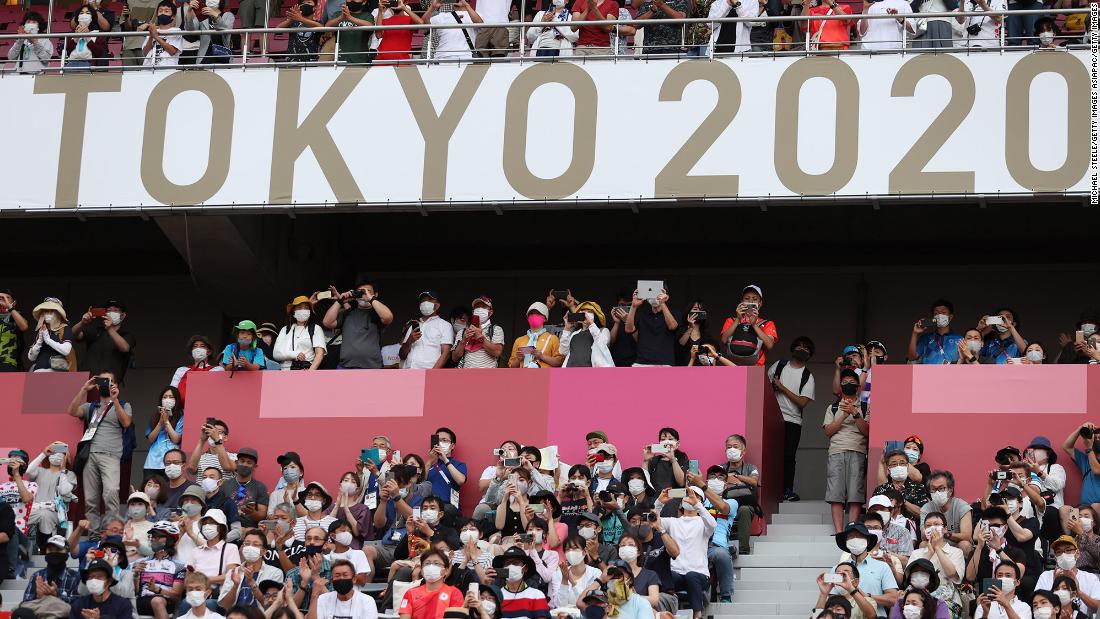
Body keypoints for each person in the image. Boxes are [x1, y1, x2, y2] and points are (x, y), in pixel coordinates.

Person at [66, 372, 132, 533]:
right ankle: (95, 532)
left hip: (111, 454)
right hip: (89, 456)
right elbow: (72, 411)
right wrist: (83, 390)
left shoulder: (124, 404)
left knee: (111, 492)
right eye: (102, 381)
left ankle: (113, 530)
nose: (105, 384)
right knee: (90, 498)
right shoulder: (91, 406)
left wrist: (114, 399)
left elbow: (126, 422)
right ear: (97, 384)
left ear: (115, 384)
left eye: (109, 380)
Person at [653, 487, 714, 619]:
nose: (690, 498)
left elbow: (712, 524)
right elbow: (653, 521)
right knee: (663, 577)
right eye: (686, 495)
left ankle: (697, 615)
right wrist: (659, 502)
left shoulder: (703, 523)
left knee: (692, 576)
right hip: (677, 574)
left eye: (695, 496)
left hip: (699, 575)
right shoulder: (673, 522)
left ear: (701, 502)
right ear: (681, 502)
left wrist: (697, 505)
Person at [769, 336, 815, 502]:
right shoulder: (779, 365)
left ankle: (787, 490)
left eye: (806, 348)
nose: (802, 350)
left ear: (810, 355)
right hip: (772, 418)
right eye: (799, 346)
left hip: (793, 421)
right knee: (771, 454)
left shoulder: (807, 376)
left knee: (789, 457)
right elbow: (766, 388)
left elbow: (803, 402)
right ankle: (770, 489)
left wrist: (782, 388)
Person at [824, 369, 869, 533]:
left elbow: (867, 432)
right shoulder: (833, 407)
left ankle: (851, 530)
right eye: (845, 382)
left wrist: (856, 414)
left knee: (855, 495)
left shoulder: (865, 406)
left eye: (852, 382)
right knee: (836, 494)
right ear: (841, 387)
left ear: (858, 386)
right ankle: (838, 532)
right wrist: (843, 414)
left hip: (858, 451)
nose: (848, 384)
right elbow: (828, 432)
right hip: (836, 451)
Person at [322, 281, 394, 369]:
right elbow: (327, 322)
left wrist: (371, 299)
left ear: (376, 294)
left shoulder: (377, 314)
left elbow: (388, 317)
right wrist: (340, 301)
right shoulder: (348, 313)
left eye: (368, 291)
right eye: (360, 292)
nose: (364, 294)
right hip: (345, 367)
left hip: (372, 368)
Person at [835, 522, 900, 617]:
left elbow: (893, 599)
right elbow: (831, 600)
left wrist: (867, 596)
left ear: (868, 540)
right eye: (851, 537)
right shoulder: (837, 569)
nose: (855, 539)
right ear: (846, 541)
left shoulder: (882, 567)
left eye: (859, 536)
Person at [907, 512, 965, 615]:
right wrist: (929, 553)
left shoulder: (956, 552)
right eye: (928, 526)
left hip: (948, 601)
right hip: (920, 600)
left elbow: (952, 574)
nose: (932, 528)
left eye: (937, 524)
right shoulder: (916, 554)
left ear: (945, 529)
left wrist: (937, 548)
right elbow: (912, 579)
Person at [131, 521, 186, 619]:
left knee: (157, 601)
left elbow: (177, 596)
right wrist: (135, 576)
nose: (154, 539)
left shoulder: (179, 565)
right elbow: (135, 592)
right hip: (142, 600)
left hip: (166, 601)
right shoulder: (140, 562)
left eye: (158, 537)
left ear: (169, 540)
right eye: (152, 536)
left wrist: (158, 590)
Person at [74, 300, 136, 384]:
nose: (111, 313)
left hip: (109, 382)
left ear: (123, 315)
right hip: (86, 380)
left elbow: (125, 348)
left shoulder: (126, 335)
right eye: (109, 310)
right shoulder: (96, 331)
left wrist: (109, 328)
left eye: (115, 310)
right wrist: (82, 323)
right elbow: (73, 335)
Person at [18, 535, 81, 615]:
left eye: (58, 549)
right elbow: (26, 604)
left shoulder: (75, 577)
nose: (53, 553)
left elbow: (78, 607)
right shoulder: (37, 575)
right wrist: (39, 597)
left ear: (66, 552)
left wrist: (56, 596)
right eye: (50, 550)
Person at [1034, 536, 1100, 610]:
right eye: (1059, 552)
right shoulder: (1045, 576)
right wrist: (1054, 587)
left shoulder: (1090, 578)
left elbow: (1098, 608)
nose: (1063, 554)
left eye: (1068, 550)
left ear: (1077, 553)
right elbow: (1037, 607)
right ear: (1055, 557)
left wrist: (1078, 591)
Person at [720, 285, 777, 367]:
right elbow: (724, 340)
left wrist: (754, 325)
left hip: (756, 367)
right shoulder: (731, 320)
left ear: (760, 303)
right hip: (733, 366)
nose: (751, 301)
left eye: (755, 299)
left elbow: (769, 345)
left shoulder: (768, 323)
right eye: (747, 299)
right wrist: (737, 320)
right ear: (741, 302)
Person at [720, 435, 759, 556]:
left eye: (735, 446)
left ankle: (743, 550)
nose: (731, 449)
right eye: (729, 447)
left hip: (746, 505)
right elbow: (715, 486)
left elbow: (754, 482)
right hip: (725, 504)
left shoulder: (751, 468)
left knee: (744, 510)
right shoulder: (721, 468)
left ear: (743, 451)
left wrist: (736, 477)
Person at [399, 548, 462, 618]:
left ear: (446, 570)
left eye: (436, 563)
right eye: (427, 563)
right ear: (422, 570)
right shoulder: (410, 593)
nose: (431, 566)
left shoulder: (454, 593)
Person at [626, 286, 678, 367]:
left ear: (666, 297)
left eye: (658, 293)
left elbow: (672, 326)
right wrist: (633, 306)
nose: (655, 296)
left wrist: (662, 303)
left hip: (665, 363)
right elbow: (629, 329)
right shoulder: (642, 314)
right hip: (641, 363)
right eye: (651, 293)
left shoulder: (674, 313)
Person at [494, 546, 552, 618]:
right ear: (502, 569)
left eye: (516, 563)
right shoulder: (496, 596)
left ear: (525, 568)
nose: (511, 566)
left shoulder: (536, 595)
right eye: (507, 563)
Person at [401, 292, 454, 369]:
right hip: (408, 372)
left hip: (428, 372)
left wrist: (432, 373)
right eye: (423, 301)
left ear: (437, 306)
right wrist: (409, 341)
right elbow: (401, 356)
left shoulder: (445, 325)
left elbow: (446, 354)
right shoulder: (413, 325)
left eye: (429, 300)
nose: (425, 303)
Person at [872, 452, 930, 521]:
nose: (898, 466)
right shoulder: (881, 489)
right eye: (894, 464)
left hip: (911, 529)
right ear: (888, 470)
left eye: (902, 463)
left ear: (907, 467)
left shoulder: (918, 487)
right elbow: (873, 515)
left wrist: (902, 499)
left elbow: (923, 515)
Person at [274, 296, 327, 371]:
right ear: (293, 311)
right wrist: (295, 354)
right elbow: (276, 354)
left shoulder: (316, 329)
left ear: (310, 311)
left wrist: (309, 373)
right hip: (284, 372)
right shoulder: (285, 329)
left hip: (305, 371)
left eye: (306, 308)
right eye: (299, 307)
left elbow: (320, 354)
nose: (303, 310)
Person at [312, 558, 377, 619]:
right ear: (332, 580)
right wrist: (315, 595)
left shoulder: (367, 601)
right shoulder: (323, 599)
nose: (341, 578)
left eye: (345, 575)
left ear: (354, 579)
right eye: (337, 576)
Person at [68, 558, 134, 618]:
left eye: (99, 577)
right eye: (90, 577)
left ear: (109, 582)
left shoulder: (123, 605)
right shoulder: (79, 604)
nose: (93, 580)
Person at [452, 296, 505, 369]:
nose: (480, 309)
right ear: (473, 311)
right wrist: (464, 340)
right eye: (477, 307)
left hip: (489, 376)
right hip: (466, 375)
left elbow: (497, 352)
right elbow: (455, 358)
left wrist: (480, 337)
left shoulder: (496, 329)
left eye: (483, 307)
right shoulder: (463, 332)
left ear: (490, 312)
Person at [222, 447, 269, 530]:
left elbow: (262, 515)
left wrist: (252, 513)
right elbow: (218, 509)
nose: (244, 465)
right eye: (242, 461)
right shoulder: (225, 485)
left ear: (255, 467)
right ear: (236, 462)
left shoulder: (260, 487)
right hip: (227, 528)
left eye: (249, 462)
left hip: (249, 531)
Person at [144, 386, 184, 479]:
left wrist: (166, 422)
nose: (167, 399)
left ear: (176, 399)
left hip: (171, 463)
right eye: (165, 397)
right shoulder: (155, 416)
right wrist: (160, 423)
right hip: (152, 462)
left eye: (171, 397)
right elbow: (150, 439)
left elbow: (176, 439)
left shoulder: (181, 416)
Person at [814, 562, 878, 619]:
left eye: (845, 573)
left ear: (856, 582)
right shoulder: (830, 602)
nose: (841, 576)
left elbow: (872, 616)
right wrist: (823, 594)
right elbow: (816, 617)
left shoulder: (868, 601)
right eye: (838, 574)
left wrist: (850, 588)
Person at [27, 297, 76, 373]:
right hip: (38, 372)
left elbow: (66, 351)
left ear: (58, 313)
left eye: (52, 311)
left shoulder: (65, 328)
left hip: (57, 372)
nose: (48, 314)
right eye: (46, 311)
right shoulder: (40, 330)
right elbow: (31, 357)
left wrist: (48, 340)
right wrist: (40, 340)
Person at [508, 302, 564, 368]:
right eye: (531, 314)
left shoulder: (553, 338)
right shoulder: (519, 340)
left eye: (538, 314)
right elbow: (511, 367)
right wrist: (518, 359)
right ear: (527, 318)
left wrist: (542, 356)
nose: (534, 316)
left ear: (545, 318)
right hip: (523, 376)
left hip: (545, 376)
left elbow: (559, 362)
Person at [170, 336, 224, 404]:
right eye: (195, 346)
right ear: (192, 351)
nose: (198, 348)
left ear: (209, 352)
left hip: (207, 409)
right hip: (182, 411)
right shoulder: (181, 370)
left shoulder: (217, 370)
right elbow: (172, 392)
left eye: (202, 346)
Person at [908, 300, 962, 365]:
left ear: (950, 317)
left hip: (952, 374)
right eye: (936, 313)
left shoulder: (959, 339)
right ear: (933, 318)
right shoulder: (925, 338)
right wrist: (915, 333)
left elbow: (968, 360)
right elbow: (911, 358)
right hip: (928, 374)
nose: (939, 316)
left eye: (943, 312)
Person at [560, 302, 613, 368]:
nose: (585, 314)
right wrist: (567, 329)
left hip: (592, 374)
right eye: (582, 311)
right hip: (570, 371)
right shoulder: (574, 334)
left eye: (589, 311)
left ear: (596, 315)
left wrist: (591, 324)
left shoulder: (603, 331)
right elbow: (563, 352)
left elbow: (602, 345)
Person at [1024, 437, 1066, 509]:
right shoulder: (1025, 469)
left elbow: (1057, 485)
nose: (1032, 452)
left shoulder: (1055, 467)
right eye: (1032, 449)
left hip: (1051, 507)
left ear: (1048, 454)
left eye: (1037, 449)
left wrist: (1038, 472)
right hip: (1030, 509)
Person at [141, 1, 183, 65]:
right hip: (147, 70)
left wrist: (156, 37)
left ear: (173, 16)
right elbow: (145, 53)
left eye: (166, 11)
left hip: (167, 71)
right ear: (157, 15)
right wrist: (151, 37)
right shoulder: (153, 30)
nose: (163, 13)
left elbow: (172, 51)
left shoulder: (176, 30)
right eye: (160, 11)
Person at [608, 292, 638, 367]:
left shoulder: (638, 319)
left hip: (634, 362)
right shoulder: (613, 322)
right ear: (617, 305)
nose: (625, 308)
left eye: (628, 306)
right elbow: (609, 343)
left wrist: (627, 321)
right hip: (615, 361)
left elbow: (640, 340)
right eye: (622, 305)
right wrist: (617, 323)